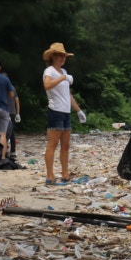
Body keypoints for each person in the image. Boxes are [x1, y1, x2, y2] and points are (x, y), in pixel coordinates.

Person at [42, 42, 85, 185]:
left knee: (65, 146)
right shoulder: (50, 71)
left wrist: (78, 110)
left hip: (66, 112)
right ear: (53, 56)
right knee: (52, 144)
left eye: (64, 56)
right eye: (60, 55)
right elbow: (47, 85)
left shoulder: (64, 72)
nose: (62, 58)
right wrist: (63, 78)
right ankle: (50, 175)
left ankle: (65, 173)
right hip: (55, 111)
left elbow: (68, 94)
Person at [4, 73, 21, 160]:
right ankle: (10, 151)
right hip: (11, 112)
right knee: (10, 132)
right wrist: (17, 113)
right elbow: (17, 100)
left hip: (8, 112)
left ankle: (8, 151)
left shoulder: (6, 88)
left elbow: (16, 100)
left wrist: (17, 113)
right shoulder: (12, 87)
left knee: (7, 132)